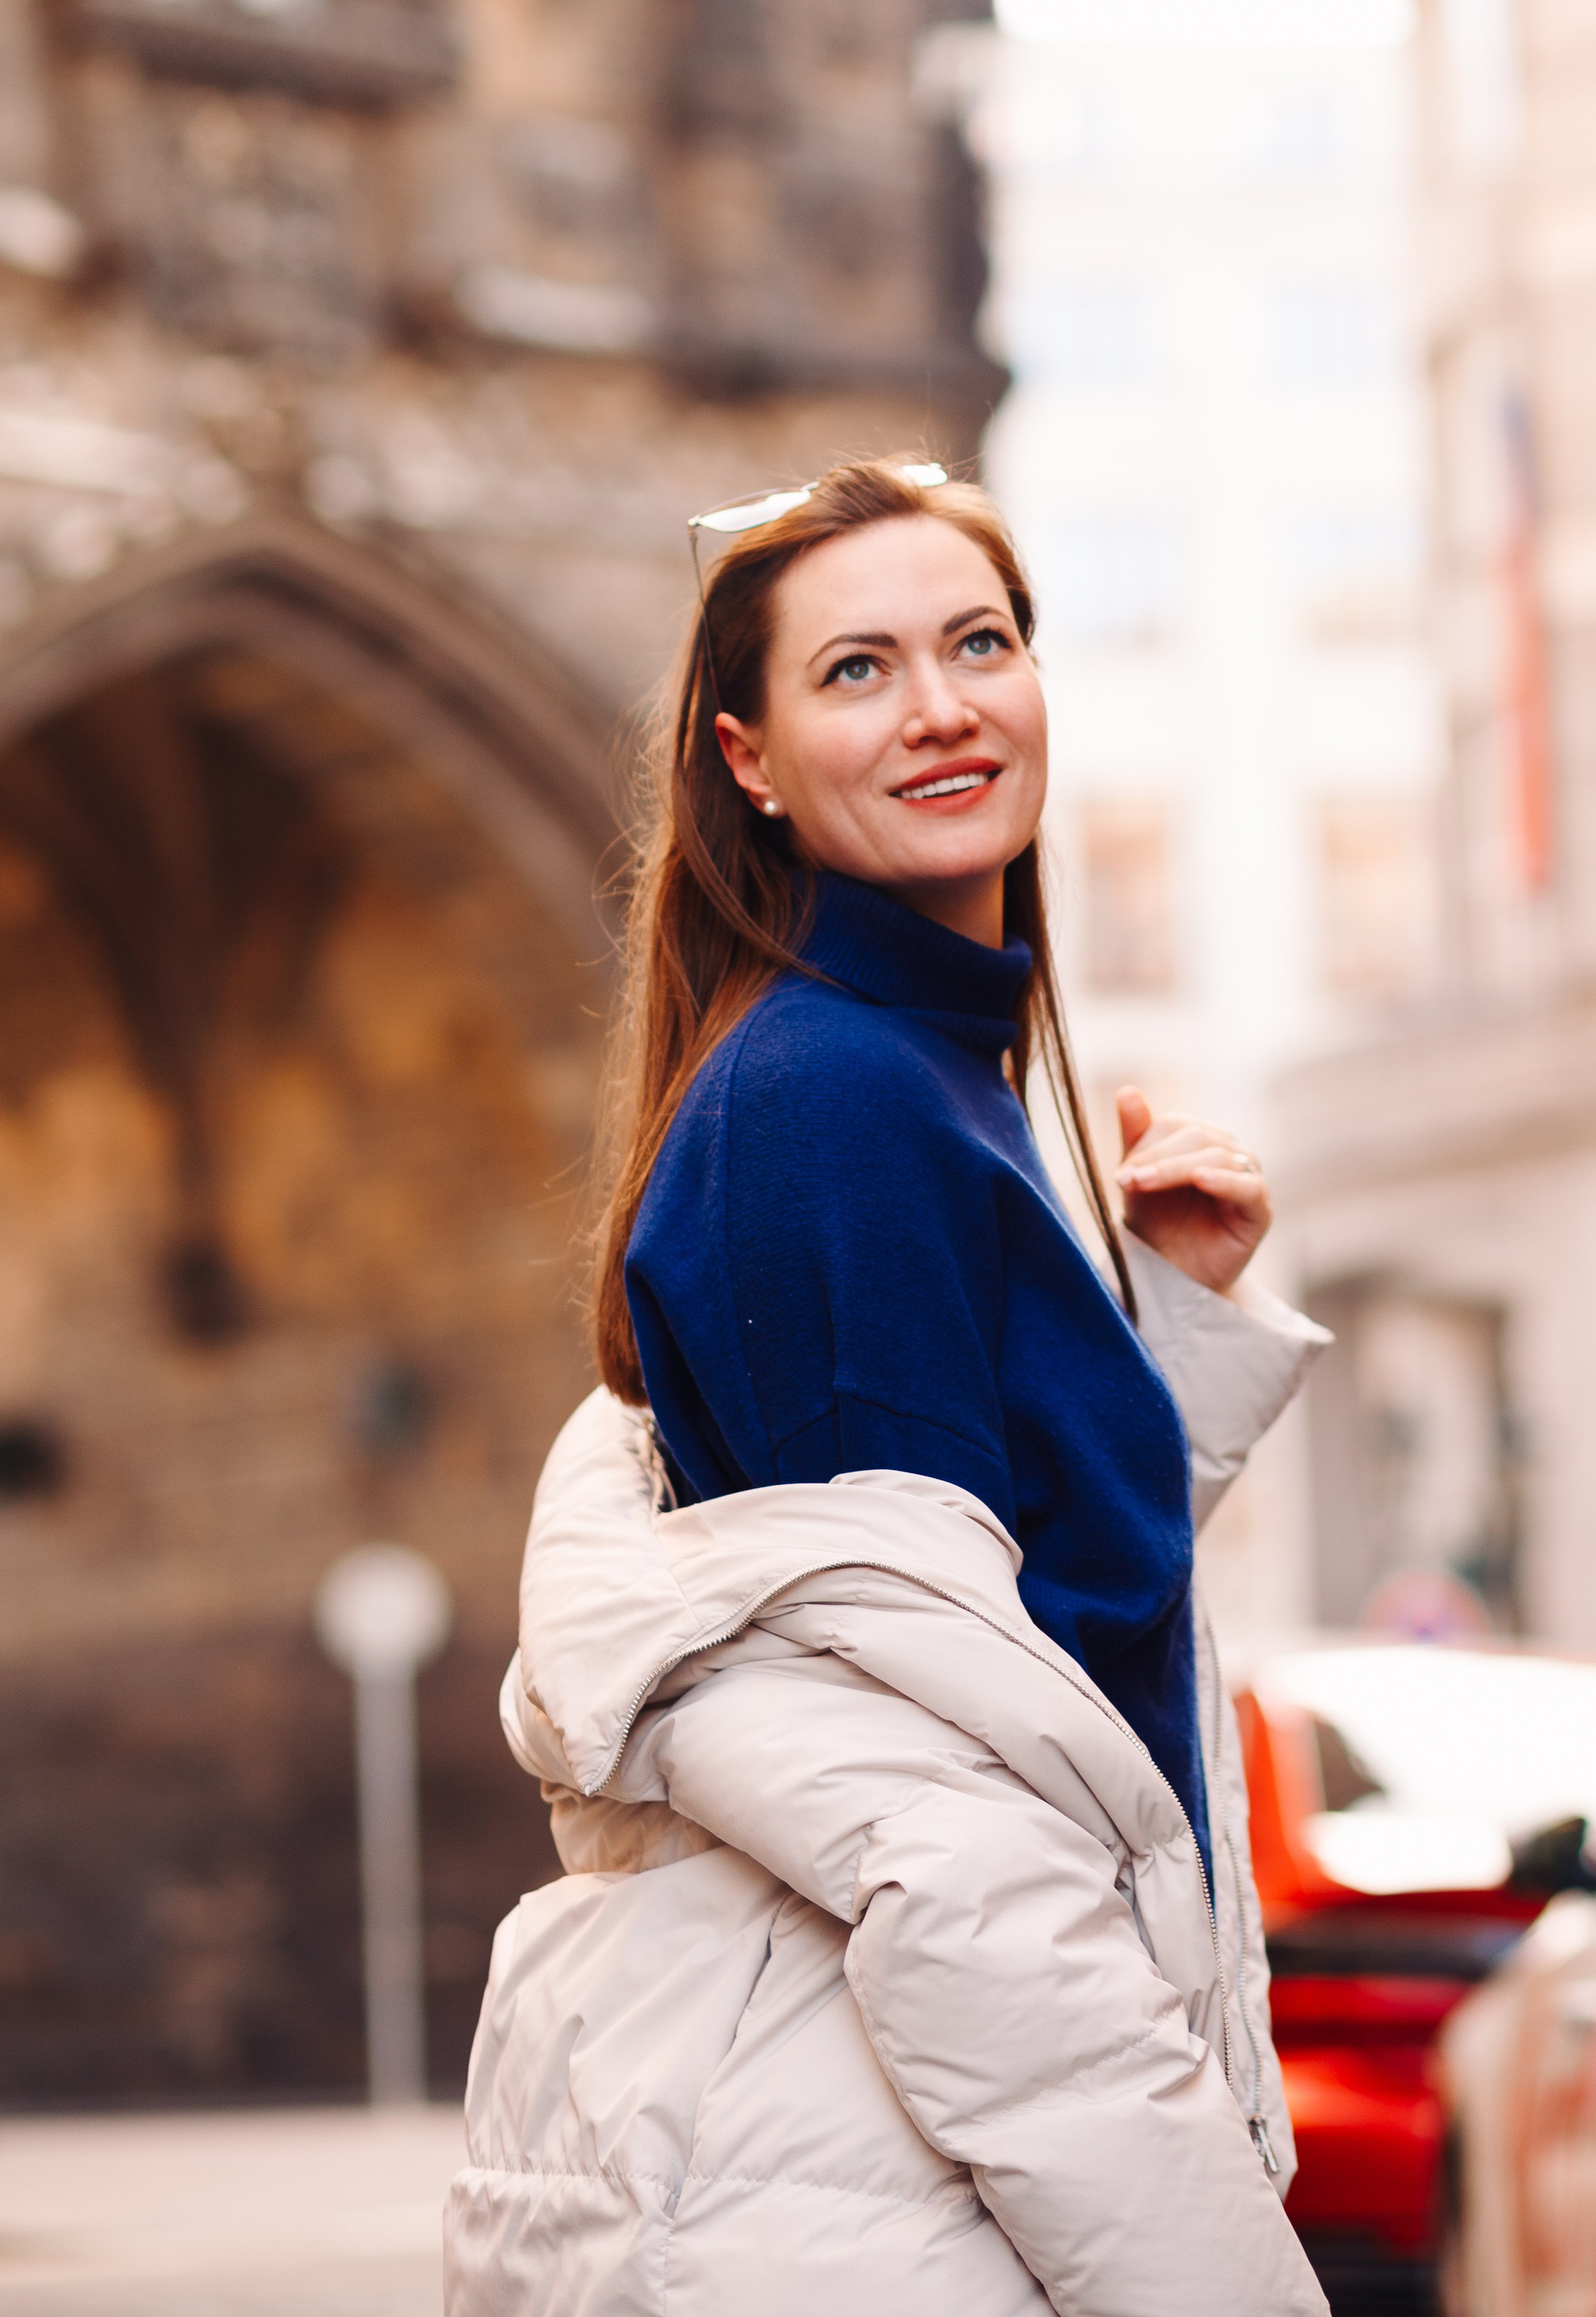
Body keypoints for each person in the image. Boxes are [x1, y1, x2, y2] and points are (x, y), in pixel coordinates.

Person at [444, 457, 1332, 2316]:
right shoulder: (833, 1108)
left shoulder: (921, 1076)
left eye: (979, 644)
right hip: (888, 2174)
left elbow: (1006, 1630)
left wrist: (1158, 1328)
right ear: (749, 758)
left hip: (901, 2150)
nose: (941, 707)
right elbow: (954, 1830)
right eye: (858, 670)